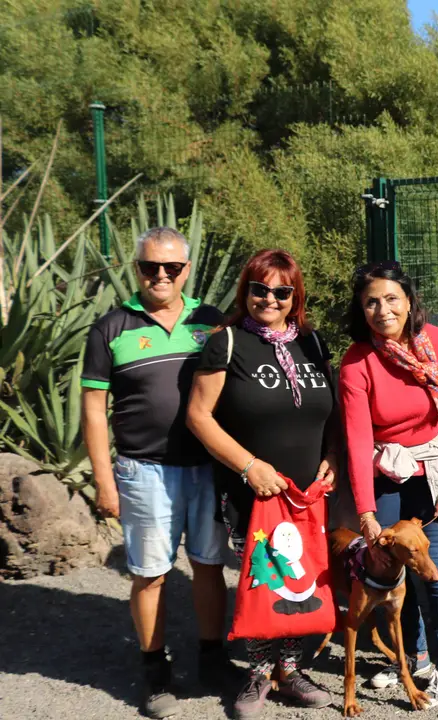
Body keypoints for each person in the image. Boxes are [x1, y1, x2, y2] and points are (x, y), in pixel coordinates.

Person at [81, 227, 237, 718]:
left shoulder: (211, 322)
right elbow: (92, 409)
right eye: (152, 267)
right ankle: (154, 670)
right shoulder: (110, 328)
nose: (162, 275)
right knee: (150, 574)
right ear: (138, 270)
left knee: (211, 565)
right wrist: (105, 481)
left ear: (187, 270)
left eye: (173, 267)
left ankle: (212, 659)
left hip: (208, 469)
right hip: (143, 472)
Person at [186, 249, 337, 718]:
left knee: (299, 575)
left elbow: (329, 412)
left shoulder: (312, 343)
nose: (269, 298)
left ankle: (289, 670)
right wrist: (250, 467)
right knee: (263, 577)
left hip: (306, 493)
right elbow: (198, 416)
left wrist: (332, 457)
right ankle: (258, 673)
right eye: (259, 288)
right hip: (252, 491)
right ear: (244, 291)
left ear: (296, 297)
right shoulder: (226, 343)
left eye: (281, 291)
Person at [339, 261, 438, 706]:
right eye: (371, 301)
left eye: (391, 298)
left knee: (434, 569)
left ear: (409, 300)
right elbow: (357, 441)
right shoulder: (358, 361)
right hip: (386, 471)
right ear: (361, 309)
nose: (382, 309)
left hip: (433, 468)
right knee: (390, 572)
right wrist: (366, 513)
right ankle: (413, 659)